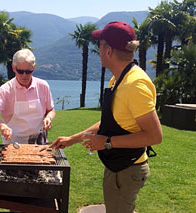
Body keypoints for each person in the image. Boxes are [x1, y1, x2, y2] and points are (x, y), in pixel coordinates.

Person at [50, 21, 163, 213]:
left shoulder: (135, 85)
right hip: (117, 165)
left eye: (100, 45)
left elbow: (154, 136)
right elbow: (111, 120)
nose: (99, 51)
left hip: (128, 169)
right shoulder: (118, 78)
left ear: (108, 51)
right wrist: (73, 140)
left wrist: (107, 142)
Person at [0, 49, 55, 145]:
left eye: (28, 71)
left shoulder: (43, 86)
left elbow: (51, 110)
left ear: (34, 68)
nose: (24, 76)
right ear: (13, 68)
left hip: (39, 142)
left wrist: (48, 118)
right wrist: (2, 126)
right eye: (20, 71)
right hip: (14, 144)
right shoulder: (6, 89)